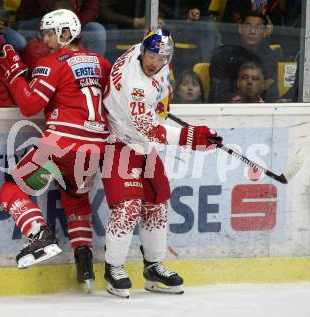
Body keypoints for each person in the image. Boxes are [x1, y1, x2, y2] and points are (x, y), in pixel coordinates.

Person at [0, 9, 112, 289]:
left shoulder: (52, 63)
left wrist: (14, 73)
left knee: (13, 189)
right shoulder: (101, 62)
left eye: (50, 32)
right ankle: (84, 261)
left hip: (61, 147)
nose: (45, 39)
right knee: (75, 198)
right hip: (95, 148)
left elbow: (30, 105)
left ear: (67, 33)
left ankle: (39, 236)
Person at [101, 29, 221, 298]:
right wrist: (192, 136)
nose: (154, 62)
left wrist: (161, 104)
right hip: (119, 140)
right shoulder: (136, 86)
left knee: (157, 204)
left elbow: (160, 91)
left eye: (162, 57)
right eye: (151, 56)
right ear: (143, 51)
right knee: (129, 207)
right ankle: (113, 268)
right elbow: (149, 129)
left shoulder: (143, 52)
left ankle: (153, 267)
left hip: (141, 143)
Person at [209, 11, 281, 103]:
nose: (252, 31)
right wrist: (253, 90)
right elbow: (219, 96)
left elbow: (272, 95)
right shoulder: (223, 55)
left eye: (258, 27)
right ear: (240, 29)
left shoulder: (270, 56)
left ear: (264, 32)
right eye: (248, 26)